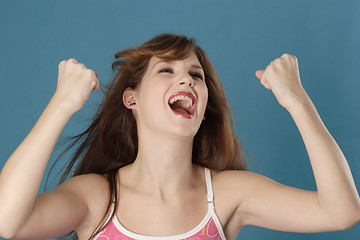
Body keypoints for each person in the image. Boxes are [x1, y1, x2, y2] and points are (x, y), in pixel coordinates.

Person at [0, 34, 359, 240]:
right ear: (132, 98)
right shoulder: (97, 197)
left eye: (196, 75)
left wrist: (297, 101)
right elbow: (7, 221)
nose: (187, 80)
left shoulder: (228, 195)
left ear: (202, 108)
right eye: (167, 70)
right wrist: (61, 105)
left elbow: (342, 213)